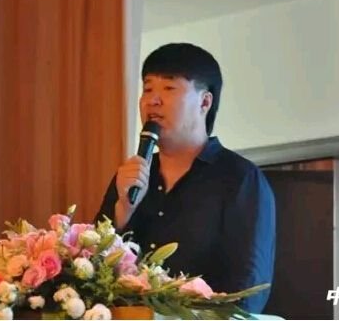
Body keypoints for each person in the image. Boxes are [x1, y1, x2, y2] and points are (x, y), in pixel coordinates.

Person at [95, 43, 276, 313]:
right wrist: (124, 209)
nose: (153, 100)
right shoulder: (132, 176)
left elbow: (248, 290)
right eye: (148, 89)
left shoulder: (240, 179)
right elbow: (90, 270)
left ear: (205, 102)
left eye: (169, 88)